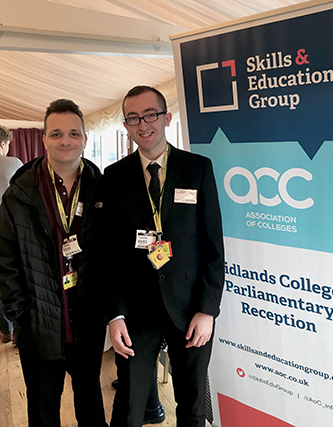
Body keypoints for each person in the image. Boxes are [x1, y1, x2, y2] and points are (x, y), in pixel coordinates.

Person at [102, 85, 225, 427]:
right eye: (133, 118)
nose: (143, 124)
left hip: (190, 311)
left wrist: (208, 309)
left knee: (191, 407)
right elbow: (110, 254)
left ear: (167, 118)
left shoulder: (198, 169)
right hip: (136, 315)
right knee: (128, 407)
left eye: (150, 114)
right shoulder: (114, 177)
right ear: (125, 125)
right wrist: (115, 316)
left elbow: (214, 246)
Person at [0, 100, 108, 427]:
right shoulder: (19, 193)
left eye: (74, 133)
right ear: (44, 138)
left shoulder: (101, 189)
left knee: (91, 408)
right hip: (39, 327)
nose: (66, 140)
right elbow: (5, 261)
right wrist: (21, 316)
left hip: (87, 324)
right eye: (57, 133)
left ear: (85, 139)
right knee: (43, 413)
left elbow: (109, 256)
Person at [0, 125, 23, 344]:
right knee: (13, 279)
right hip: (9, 231)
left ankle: (4, 329)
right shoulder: (14, 164)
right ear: (3, 143)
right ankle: (17, 332)